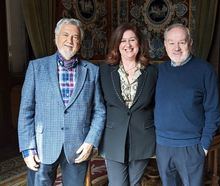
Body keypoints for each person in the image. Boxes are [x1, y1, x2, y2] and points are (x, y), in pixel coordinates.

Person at [17, 18, 106, 186]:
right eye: (65, 35)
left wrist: (90, 142)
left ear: (80, 42)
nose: (70, 41)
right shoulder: (36, 68)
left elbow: (99, 111)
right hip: (42, 147)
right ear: (56, 37)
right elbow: (26, 111)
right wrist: (27, 149)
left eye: (75, 37)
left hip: (78, 147)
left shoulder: (92, 72)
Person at [154, 23, 220, 186]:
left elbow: (214, 111)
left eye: (182, 42)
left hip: (191, 147)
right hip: (163, 145)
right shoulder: (159, 71)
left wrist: (204, 146)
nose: (176, 48)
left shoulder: (205, 70)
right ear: (165, 45)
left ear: (190, 43)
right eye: (171, 43)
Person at [99, 23, 157, 186]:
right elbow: (99, 106)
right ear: (117, 44)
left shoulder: (152, 72)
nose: (128, 45)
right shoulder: (104, 71)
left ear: (140, 43)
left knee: (134, 183)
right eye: (123, 40)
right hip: (113, 136)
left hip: (143, 137)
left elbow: (156, 105)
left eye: (132, 40)